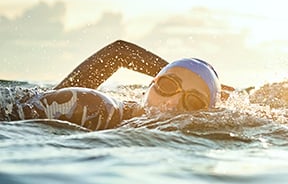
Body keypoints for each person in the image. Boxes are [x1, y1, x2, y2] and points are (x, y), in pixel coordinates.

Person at [1, 40, 223, 130]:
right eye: (167, 86)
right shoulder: (92, 107)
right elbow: (118, 51)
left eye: (193, 102)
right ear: (150, 84)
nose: (173, 102)